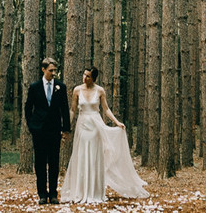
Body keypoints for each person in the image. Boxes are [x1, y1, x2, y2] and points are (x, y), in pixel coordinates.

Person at [60, 66, 148, 204]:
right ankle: (81, 191)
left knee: (94, 158)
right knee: (82, 156)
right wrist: (66, 127)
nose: (85, 78)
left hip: (96, 126)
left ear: (94, 78)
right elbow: (72, 110)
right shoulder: (77, 90)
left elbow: (106, 109)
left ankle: (94, 191)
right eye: (84, 75)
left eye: (88, 76)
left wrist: (117, 122)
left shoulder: (100, 90)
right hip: (82, 126)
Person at [24, 57, 71, 205]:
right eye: (51, 70)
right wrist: (31, 126)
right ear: (43, 69)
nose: (53, 73)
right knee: (40, 163)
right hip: (39, 131)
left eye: (55, 70)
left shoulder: (60, 87)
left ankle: (53, 194)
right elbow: (28, 108)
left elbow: (64, 109)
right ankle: (42, 195)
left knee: (54, 163)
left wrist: (66, 129)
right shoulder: (35, 87)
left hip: (54, 130)